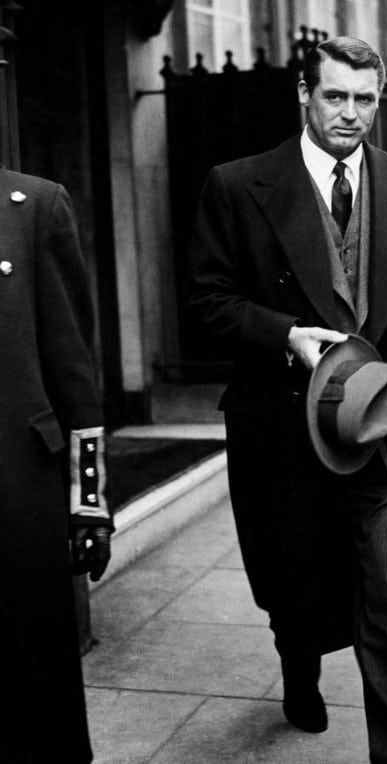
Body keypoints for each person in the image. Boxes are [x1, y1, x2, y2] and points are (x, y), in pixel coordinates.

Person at [189, 36, 387, 764]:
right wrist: (284, 334)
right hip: (282, 424)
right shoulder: (238, 184)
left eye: (365, 99)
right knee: (295, 583)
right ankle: (299, 665)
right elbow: (206, 302)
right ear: (304, 95)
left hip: (382, 424)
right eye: (335, 96)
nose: (350, 113)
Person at [0, 166, 112, 762]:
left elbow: (71, 365)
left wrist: (88, 502)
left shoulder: (33, 206)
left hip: (17, 482)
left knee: (34, 678)